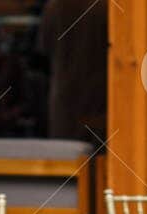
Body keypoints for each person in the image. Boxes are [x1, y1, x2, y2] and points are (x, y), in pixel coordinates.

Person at [37, 0, 108, 143]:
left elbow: (43, 53)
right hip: (103, 95)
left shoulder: (55, 6)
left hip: (65, 98)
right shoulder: (111, 6)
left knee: (66, 156)